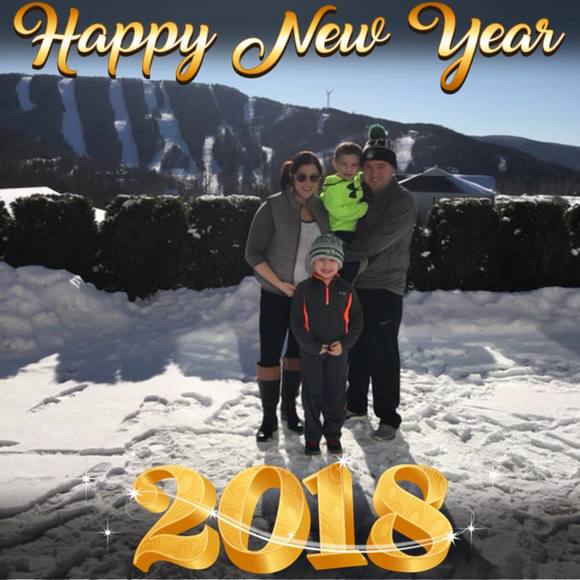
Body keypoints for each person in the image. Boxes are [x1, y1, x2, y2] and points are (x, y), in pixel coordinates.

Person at [245, 151, 330, 443]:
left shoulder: (322, 209)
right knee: (269, 354)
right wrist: (280, 284)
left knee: (297, 355)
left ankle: (289, 410)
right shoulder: (273, 206)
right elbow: (252, 253)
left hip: (307, 298)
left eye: (314, 177)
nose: (308, 182)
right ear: (292, 177)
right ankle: (268, 416)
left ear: (320, 180)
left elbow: (329, 250)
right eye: (302, 176)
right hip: (275, 294)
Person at [342, 124, 418, 441]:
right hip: (356, 284)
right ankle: (356, 405)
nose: (374, 173)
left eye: (381, 167)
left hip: (384, 286)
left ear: (392, 169)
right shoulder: (356, 193)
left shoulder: (402, 202)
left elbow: (374, 242)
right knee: (356, 348)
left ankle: (388, 416)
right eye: (369, 166)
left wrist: (334, 253)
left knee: (382, 352)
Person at [290, 234, 363, 456]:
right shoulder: (303, 290)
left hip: (338, 353)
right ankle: (312, 437)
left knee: (336, 394)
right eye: (321, 259)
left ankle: (333, 436)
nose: (326, 265)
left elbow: (357, 321)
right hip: (311, 352)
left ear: (339, 264)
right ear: (313, 262)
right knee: (312, 394)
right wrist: (312, 346)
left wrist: (345, 344)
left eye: (332, 260)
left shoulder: (346, 289)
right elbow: (296, 323)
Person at [320, 142, 368, 282]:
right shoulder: (333, 187)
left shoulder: (356, 179)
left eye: (354, 165)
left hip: (354, 231)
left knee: (353, 265)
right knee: (346, 267)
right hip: (339, 233)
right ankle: (340, 288)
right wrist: (363, 208)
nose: (349, 169)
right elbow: (339, 212)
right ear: (335, 164)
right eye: (344, 164)